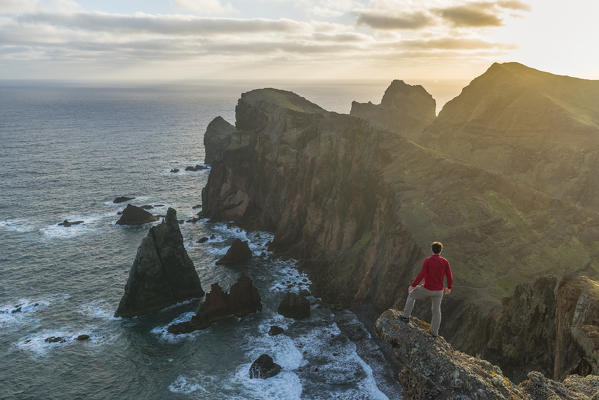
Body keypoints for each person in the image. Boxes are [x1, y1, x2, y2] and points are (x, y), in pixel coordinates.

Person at [400, 241, 453, 337]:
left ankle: (406, 317)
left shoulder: (428, 260)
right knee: (436, 310)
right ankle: (434, 332)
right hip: (439, 291)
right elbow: (449, 276)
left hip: (427, 289)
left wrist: (413, 285)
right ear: (441, 251)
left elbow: (422, 274)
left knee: (411, 295)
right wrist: (449, 287)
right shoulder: (445, 261)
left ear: (432, 250)